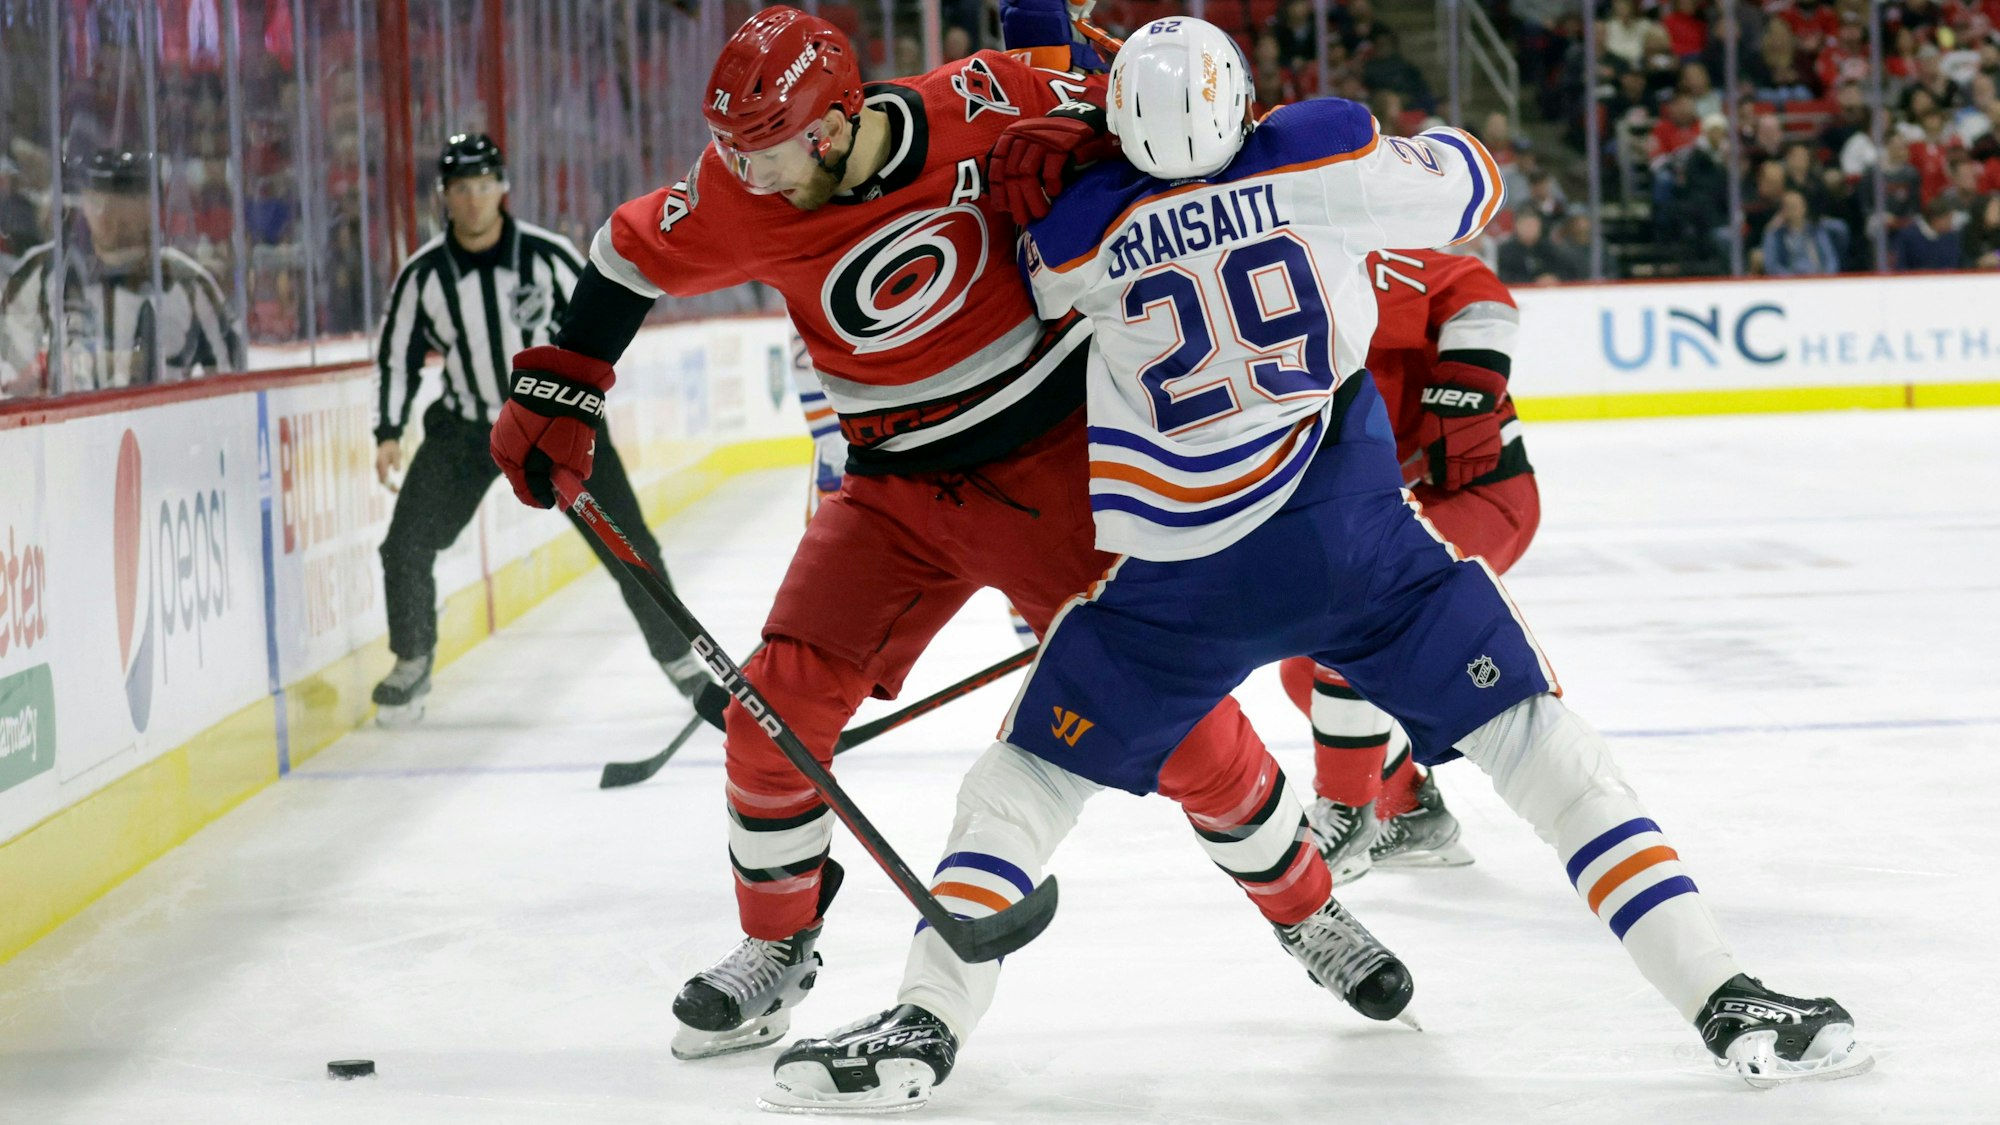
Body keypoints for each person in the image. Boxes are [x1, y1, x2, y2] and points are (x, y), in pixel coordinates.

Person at [771, 17, 1870, 1112]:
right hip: (1351, 545)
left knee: (1021, 787)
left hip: (1176, 581)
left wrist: (1080, 126)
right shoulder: (1321, 153)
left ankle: (923, 1021)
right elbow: (1473, 186)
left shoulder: (1073, 236)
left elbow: (1053, 276)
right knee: (1543, 749)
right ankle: (1721, 993)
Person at [487, 4, 1399, 1074]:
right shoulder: (741, 188)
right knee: (770, 714)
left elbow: (1174, 128)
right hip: (890, 496)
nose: (739, 172)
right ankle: (775, 950)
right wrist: (568, 380)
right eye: (729, 149)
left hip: (1057, 476)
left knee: (1177, 721)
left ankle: (1306, 910)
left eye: (762, 149)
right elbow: (626, 252)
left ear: (828, 128)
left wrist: (1097, 93)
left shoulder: (987, 100)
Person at [368, 133, 726, 725]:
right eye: (462, 189)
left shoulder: (548, 255)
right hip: (466, 432)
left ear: (502, 188)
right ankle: (412, 659)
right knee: (404, 545)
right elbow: (394, 356)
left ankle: (682, 663)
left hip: (558, 430)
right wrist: (387, 429)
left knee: (629, 547)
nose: (475, 200)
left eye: (484, 186)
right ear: (445, 198)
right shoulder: (422, 276)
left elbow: (602, 315)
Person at [1274, 248, 1538, 883]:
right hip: (1386, 513)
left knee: (1354, 627)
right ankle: (1411, 809)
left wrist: (1467, 393)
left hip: (1476, 494)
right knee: (1300, 671)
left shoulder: (1350, 258)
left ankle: (1347, 813)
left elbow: (1479, 293)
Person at [0, 149, 241, 398]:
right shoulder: (42, 272)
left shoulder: (190, 284)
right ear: (84, 202)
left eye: (128, 204)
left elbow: (233, 385)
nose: (113, 218)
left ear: (151, 207)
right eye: (100, 203)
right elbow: (7, 375)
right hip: (69, 435)